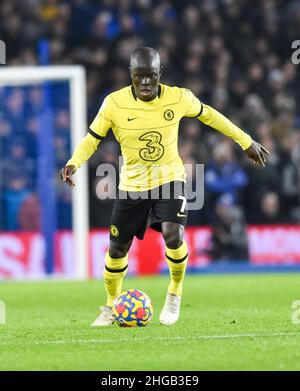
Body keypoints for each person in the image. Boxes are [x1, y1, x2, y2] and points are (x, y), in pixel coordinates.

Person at [60, 47, 269, 326]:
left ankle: (175, 291)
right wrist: (74, 162)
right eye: (139, 76)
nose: (145, 82)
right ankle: (111, 306)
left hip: (170, 179)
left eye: (151, 76)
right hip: (132, 185)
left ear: (161, 74)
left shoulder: (178, 97)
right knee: (117, 250)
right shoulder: (114, 104)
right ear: (131, 75)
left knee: (173, 237)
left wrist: (245, 141)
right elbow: (91, 139)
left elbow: (211, 116)